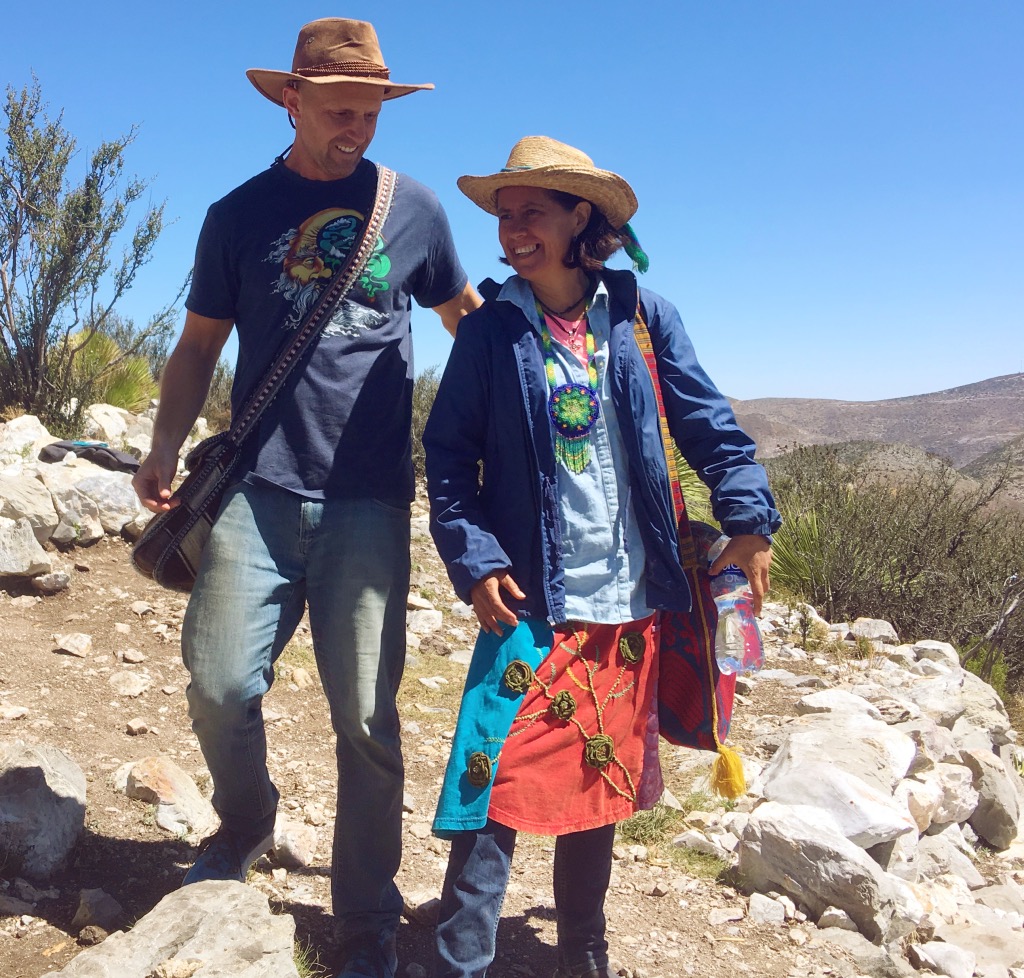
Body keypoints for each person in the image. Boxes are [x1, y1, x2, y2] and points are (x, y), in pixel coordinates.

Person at [131, 19, 480, 978]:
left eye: (370, 113)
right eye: (338, 112)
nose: (356, 130)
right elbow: (199, 345)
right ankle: (246, 822)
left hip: (370, 500)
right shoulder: (238, 213)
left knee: (367, 721)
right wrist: (163, 445)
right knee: (221, 682)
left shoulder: (414, 212)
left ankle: (364, 920)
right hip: (256, 490)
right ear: (291, 100)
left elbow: (468, 326)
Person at [423, 136, 781, 978]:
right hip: (533, 603)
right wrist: (474, 560)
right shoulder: (488, 335)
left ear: (580, 217)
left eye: (532, 213)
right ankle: (457, 963)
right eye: (505, 216)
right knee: (489, 786)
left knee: (599, 785)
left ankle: (584, 955)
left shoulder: (643, 318)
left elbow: (709, 426)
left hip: (631, 605)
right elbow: (447, 460)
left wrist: (750, 519)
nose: (513, 230)